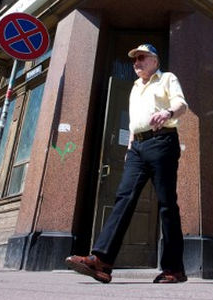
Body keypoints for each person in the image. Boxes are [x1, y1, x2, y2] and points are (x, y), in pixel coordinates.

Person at [66, 43, 189, 284]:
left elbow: (181, 104)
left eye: (142, 58)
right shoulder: (134, 87)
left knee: (166, 204)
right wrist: (131, 144)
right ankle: (101, 261)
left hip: (163, 141)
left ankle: (174, 269)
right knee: (124, 198)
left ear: (155, 60)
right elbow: (135, 121)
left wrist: (167, 113)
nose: (136, 63)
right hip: (138, 148)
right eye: (134, 59)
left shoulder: (167, 78)